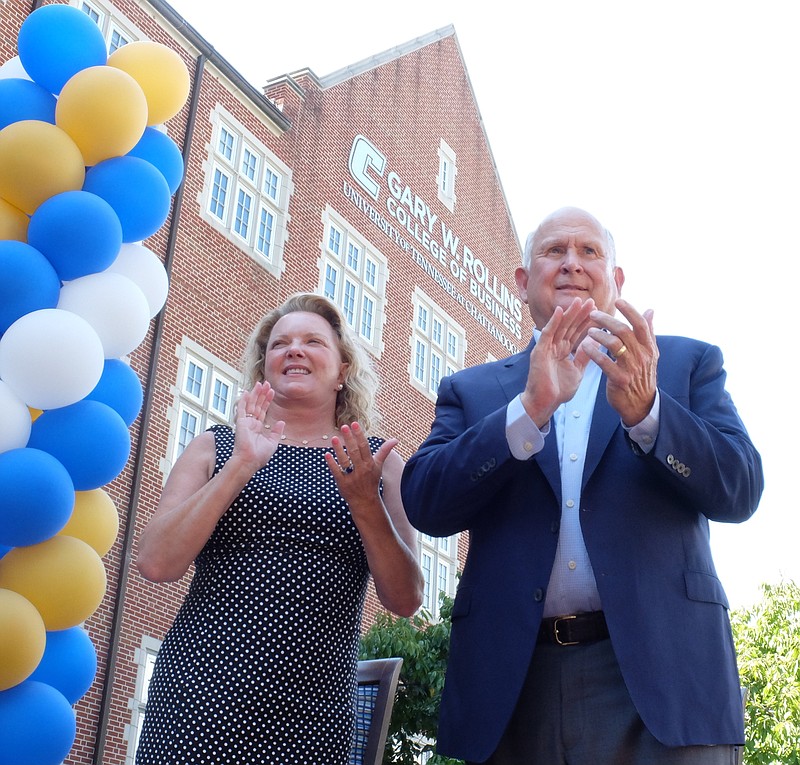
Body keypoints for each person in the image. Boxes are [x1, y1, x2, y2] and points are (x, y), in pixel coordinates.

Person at [401, 207, 763, 764]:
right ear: (522, 283)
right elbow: (426, 501)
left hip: (663, 683)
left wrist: (650, 414)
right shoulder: (472, 390)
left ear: (616, 281)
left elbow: (740, 489)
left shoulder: (684, 365)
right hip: (516, 687)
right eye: (554, 251)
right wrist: (529, 410)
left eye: (590, 251)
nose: (572, 263)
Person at [135, 292, 423, 765]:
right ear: (262, 366)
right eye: (279, 343)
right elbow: (155, 562)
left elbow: (405, 598)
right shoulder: (215, 446)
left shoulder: (376, 464)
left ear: (343, 370)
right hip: (202, 689)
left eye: (313, 341)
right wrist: (242, 464)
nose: (294, 350)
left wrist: (365, 502)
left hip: (316, 705)